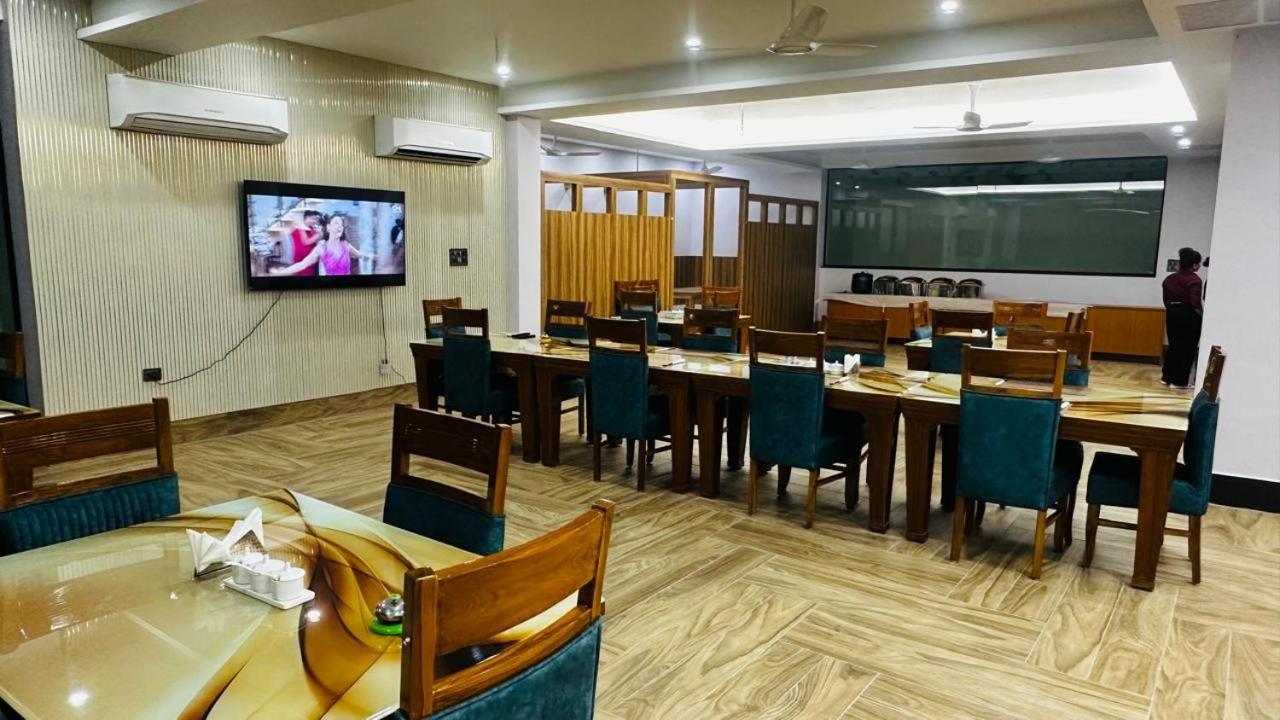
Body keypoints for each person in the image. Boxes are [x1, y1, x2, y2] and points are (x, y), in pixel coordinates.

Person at [1161, 246, 1204, 388]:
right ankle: (1179, 381)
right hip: (1188, 315)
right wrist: (1202, 316)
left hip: (1172, 313)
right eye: (1198, 263)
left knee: (1173, 345)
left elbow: (1165, 300)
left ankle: (1167, 377)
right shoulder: (1194, 280)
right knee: (1187, 348)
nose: (1199, 266)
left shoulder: (1169, 279)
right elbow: (1195, 302)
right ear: (1194, 265)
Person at [270, 212, 365, 276]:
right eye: (336, 223)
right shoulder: (322, 247)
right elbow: (302, 264)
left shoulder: (345, 244)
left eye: (341, 224)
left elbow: (360, 255)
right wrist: (281, 273)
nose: (340, 226)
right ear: (328, 227)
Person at [285, 210, 323, 276]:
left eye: (316, 220)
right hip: (301, 264)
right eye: (314, 219)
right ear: (307, 217)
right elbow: (306, 242)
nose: (315, 222)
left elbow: (310, 242)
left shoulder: (312, 230)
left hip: (310, 265)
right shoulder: (298, 229)